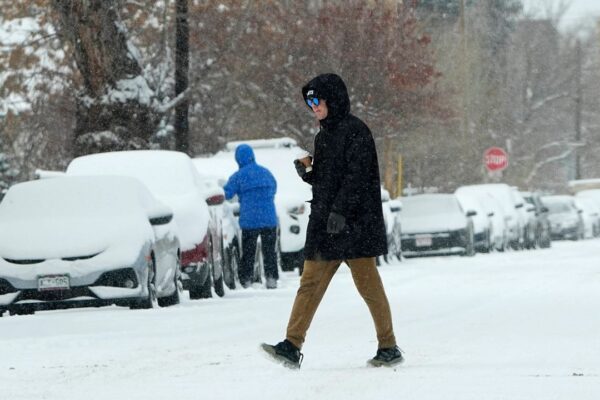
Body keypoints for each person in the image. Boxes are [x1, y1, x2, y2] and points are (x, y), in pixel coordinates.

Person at [261, 73, 403, 368]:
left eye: (317, 99)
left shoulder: (356, 132)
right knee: (310, 282)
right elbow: (329, 180)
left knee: (368, 286)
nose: (312, 106)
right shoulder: (323, 135)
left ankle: (388, 346)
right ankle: (291, 345)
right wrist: (309, 174)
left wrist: (340, 211)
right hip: (328, 225)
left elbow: (357, 179)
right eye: (308, 101)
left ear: (333, 99)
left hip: (354, 224)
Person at [224, 144, 279, 289]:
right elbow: (274, 188)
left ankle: (246, 280)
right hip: (269, 219)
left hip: (250, 220)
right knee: (269, 251)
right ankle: (271, 278)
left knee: (248, 252)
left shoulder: (238, 176)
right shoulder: (266, 172)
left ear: (238, 159)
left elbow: (227, 194)